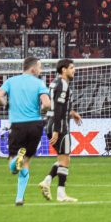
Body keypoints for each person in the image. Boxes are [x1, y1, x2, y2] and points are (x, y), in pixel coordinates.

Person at [0, 56, 51, 206]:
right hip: (35, 125)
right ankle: (19, 198)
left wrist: (7, 105)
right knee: (26, 162)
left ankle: (15, 162)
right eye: (39, 67)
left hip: (18, 125)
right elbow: (46, 104)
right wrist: (42, 110)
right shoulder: (39, 83)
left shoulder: (11, 81)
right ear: (33, 68)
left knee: (14, 167)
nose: (41, 70)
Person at [39, 59, 83, 202]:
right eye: (71, 67)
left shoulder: (55, 82)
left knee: (63, 158)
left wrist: (72, 113)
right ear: (63, 70)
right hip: (60, 126)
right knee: (65, 159)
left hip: (51, 123)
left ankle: (47, 181)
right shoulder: (63, 84)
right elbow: (58, 108)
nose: (74, 70)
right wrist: (57, 130)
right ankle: (61, 194)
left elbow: (57, 106)